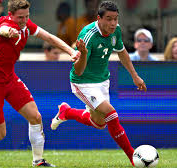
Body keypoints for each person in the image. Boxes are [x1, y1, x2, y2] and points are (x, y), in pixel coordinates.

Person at [0, 0, 80, 167]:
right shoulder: (4, 23)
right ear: (10, 15)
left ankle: (38, 161)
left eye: (27, 16)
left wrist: (71, 51)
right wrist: (9, 31)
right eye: (20, 17)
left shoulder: (26, 24)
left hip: (10, 79)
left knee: (35, 116)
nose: (24, 20)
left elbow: (48, 36)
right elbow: (4, 29)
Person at [50, 1, 147, 166]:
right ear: (99, 19)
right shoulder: (87, 35)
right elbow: (79, 70)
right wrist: (84, 53)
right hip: (83, 83)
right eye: (109, 19)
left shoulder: (116, 31)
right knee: (111, 114)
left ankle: (67, 112)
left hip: (102, 80)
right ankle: (133, 157)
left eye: (115, 19)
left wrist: (135, 76)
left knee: (100, 123)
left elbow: (122, 52)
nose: (113, 23)